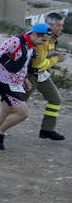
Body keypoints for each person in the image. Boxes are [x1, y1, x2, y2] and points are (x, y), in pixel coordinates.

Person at [0, 23, 52, 151]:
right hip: (5, 83)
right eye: (43, 40)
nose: (44, 43)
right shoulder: (15, 41)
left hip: (16, 84)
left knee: (5, 114)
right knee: (23, 113)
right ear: (34, 35)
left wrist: (25, 79)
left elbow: (22, 64)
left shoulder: (31, 45)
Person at [23, 12, 67, 140]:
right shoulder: (42, 37)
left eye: (62, 25)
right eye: (58, 25)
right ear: (49, 25)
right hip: (31, 76)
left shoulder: (51, 38)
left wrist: (54, 53)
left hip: (42, 76)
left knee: (55, 99)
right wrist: (57, 59)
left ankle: (47, 129)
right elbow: (39, 63)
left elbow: (43, 55)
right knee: (17, 106)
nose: (61, 28)